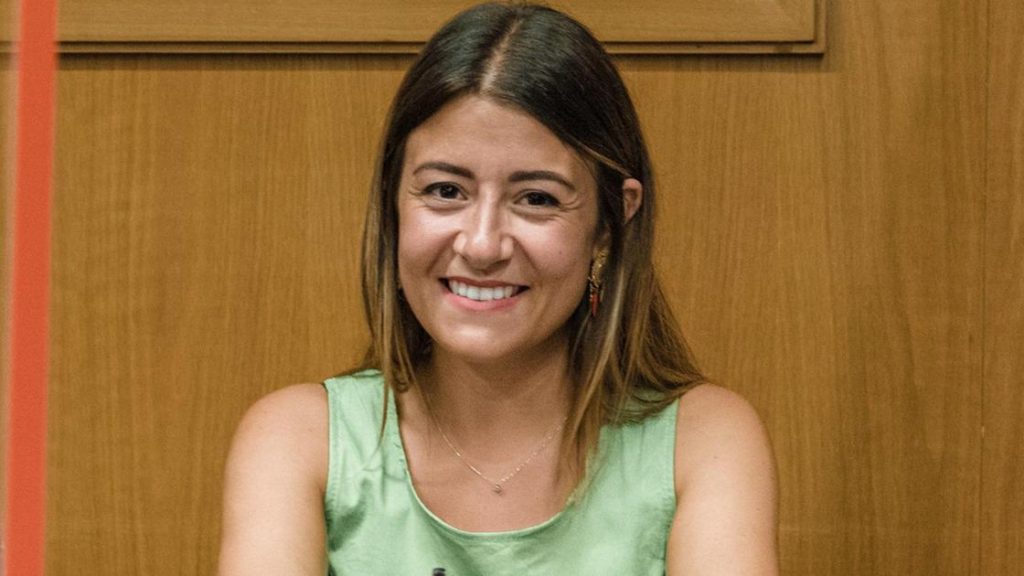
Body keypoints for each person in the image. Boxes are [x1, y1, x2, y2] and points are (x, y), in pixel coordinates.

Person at [218, 3, 778, 574]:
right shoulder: (298, 440)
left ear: (610, 222)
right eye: (445, 191)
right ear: (393, 201)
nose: (483, 246)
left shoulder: (704, 441)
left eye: (536, 198)